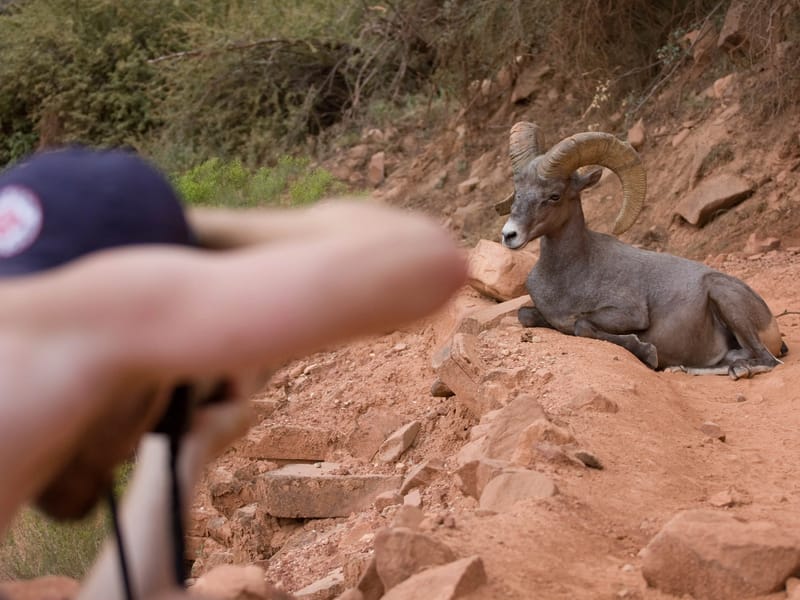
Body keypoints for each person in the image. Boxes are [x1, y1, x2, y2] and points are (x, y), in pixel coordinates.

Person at [0, 148, 467, 600]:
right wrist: (184, 232)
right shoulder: (74, 307)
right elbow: (423, 257)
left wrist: (187, 442)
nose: (130, 446)